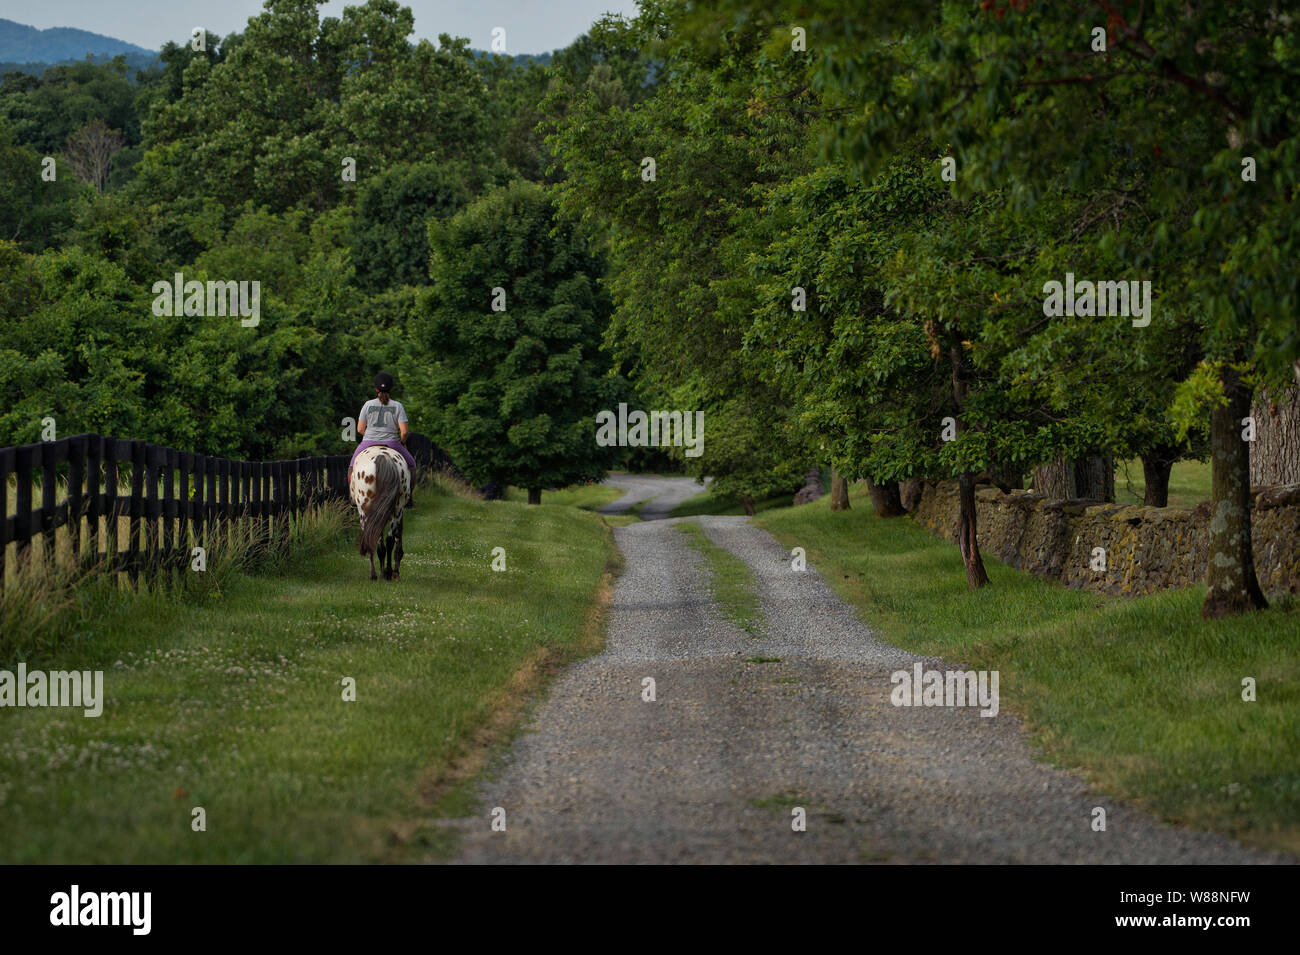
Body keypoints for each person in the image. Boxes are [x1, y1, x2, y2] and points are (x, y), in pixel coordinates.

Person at [348, 372, 417, 507]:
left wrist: (371, 436)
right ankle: (408, 497)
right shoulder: (397, 406)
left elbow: (360, 429)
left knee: (351, 467)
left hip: (368, 442)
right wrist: (402, 442)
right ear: (391, 389)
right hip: (392, 443)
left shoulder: (367, 405)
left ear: (376, 389)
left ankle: (353, 498)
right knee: (412, 465)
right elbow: (404, 432)